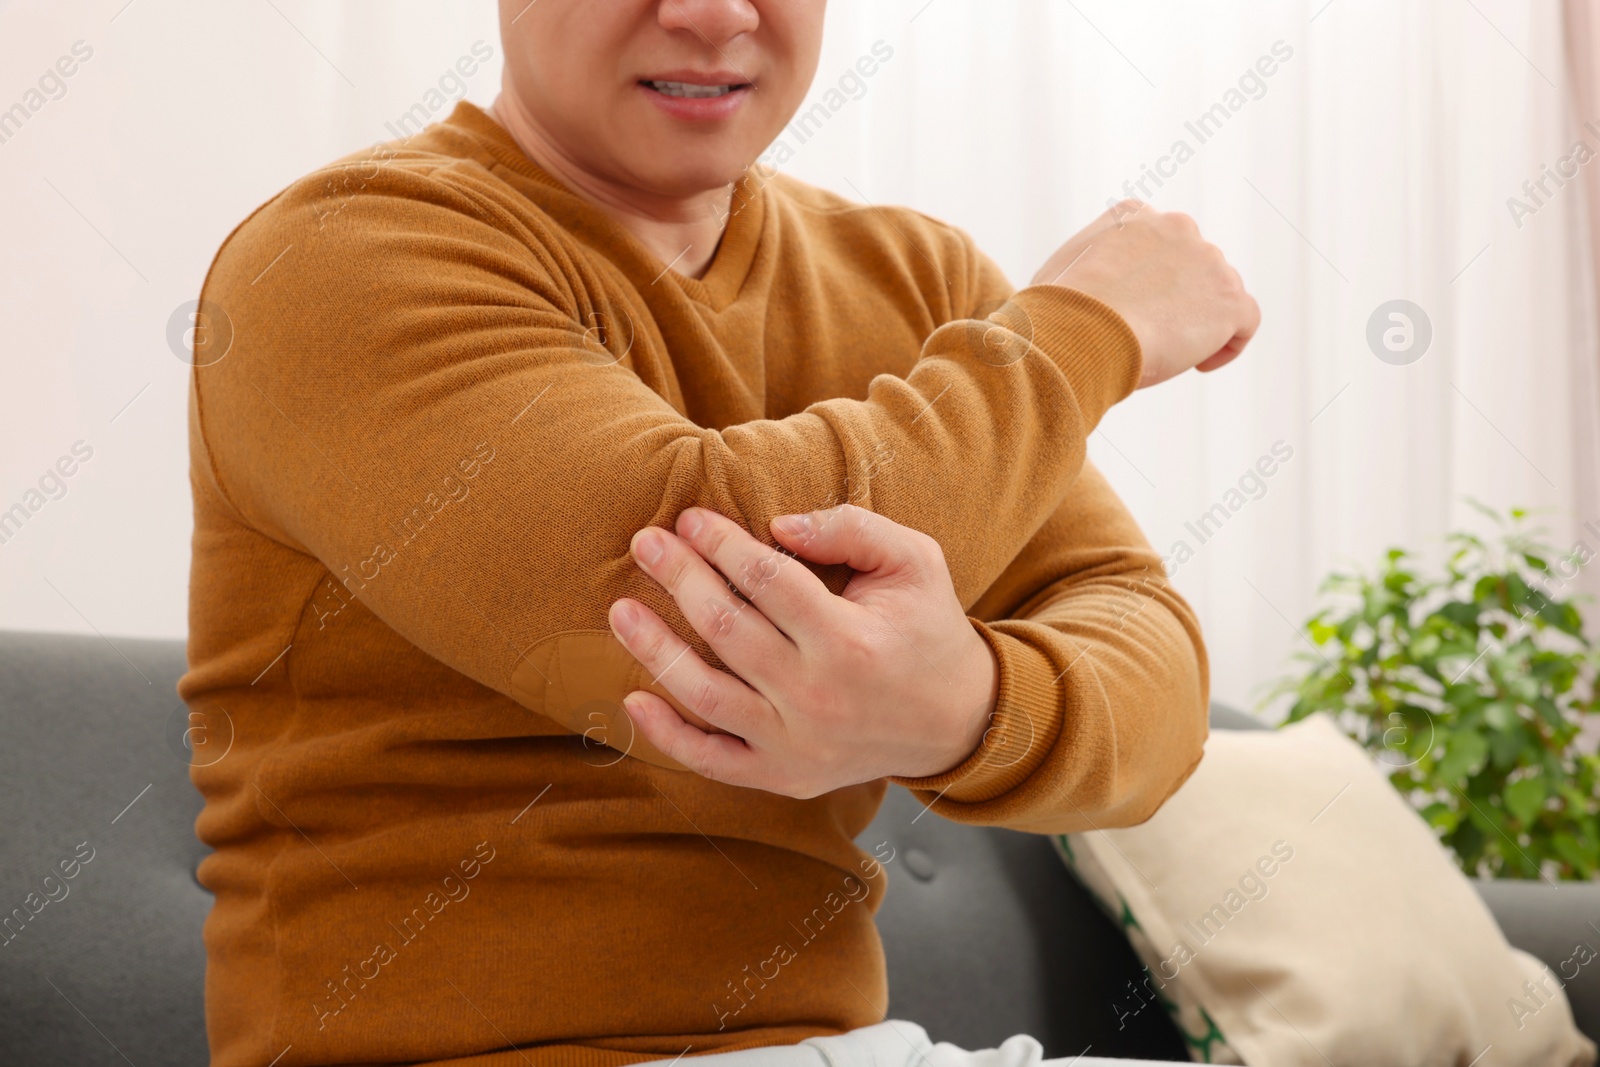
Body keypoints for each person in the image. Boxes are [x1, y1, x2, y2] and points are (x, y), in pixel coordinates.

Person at [178, 1, 1259, 1065]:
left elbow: (1154, 685)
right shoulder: (336, 255)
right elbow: (689, 607)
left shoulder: (920, 282)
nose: (712, 13)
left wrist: (960, 705)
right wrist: (1089, 329)